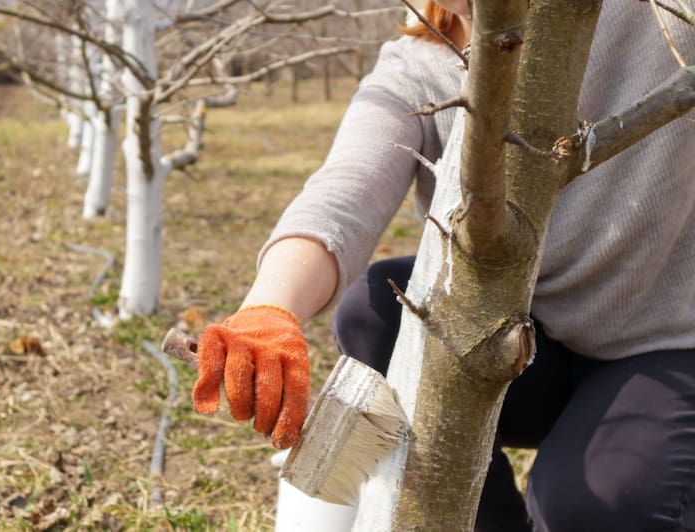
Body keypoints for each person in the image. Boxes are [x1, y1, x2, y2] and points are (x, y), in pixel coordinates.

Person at [190, 1, 695, 530]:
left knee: (594, 509)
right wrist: (269, 307)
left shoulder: (652, 17)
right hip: (523, 345)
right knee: (377, 310)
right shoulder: (420, 64)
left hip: (666, 344)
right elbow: (343, 193)